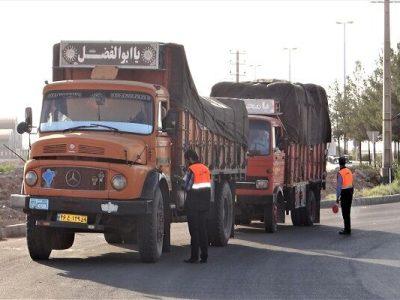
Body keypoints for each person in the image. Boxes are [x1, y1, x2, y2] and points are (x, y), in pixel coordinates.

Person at [183, 149, 211, 264]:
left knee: (194, 231)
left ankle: (194, 257)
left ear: (189, 158)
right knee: (203, 230)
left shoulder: (191, 170)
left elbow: (187, 187)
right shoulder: (205, 169)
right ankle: (204, 256)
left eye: (186, 160)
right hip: (204, 205)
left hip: (193, 205)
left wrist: (181, 180)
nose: (186, 162)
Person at [336, 156, 354, 235]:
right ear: (345, 162)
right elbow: (352, 183)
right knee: (348, 212)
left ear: (339, 163)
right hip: (350, 192)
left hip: (344, 193)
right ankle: (348, 228)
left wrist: (337, 197)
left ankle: (347, 230)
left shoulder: (340, 173)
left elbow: (339, 187)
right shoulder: (349, 171)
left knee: (344, 212)